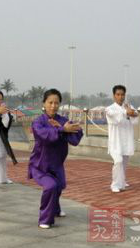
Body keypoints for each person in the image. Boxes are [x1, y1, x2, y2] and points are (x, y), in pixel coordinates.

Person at [28, 88, 83, 229]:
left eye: (56, 103)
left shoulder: (63, 121)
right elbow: (45, 135)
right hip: (40, 165)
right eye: (50, 102)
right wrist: (61, 130)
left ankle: (56, 209)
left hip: (57, 164)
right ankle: (44, 219)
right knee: (50, 186)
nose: (53, 106)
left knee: (59, 187)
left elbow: (76, 135)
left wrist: (65, 128)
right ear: (44, 103)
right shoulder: (38, 122)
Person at [105, 85, 138, 193]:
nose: (120, 97)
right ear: (114, 96)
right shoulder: (109, 109)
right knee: (118, 161)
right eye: (118, 94)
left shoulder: (128, 106)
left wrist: (131, 114)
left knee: (124, 163)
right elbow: (116, 119)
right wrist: (126, 112)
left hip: (126, 139)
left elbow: (135, 119)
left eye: (122, 94)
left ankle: (122, 181)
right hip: (115, 141)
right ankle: (115, 184)